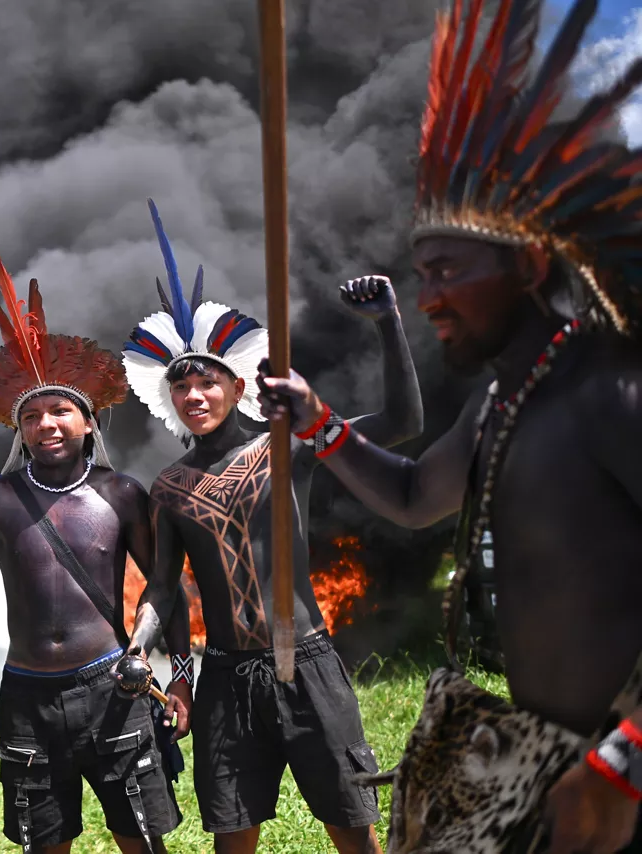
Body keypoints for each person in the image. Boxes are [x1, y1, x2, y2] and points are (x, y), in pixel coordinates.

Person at [255, 0, 642, 849]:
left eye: (447, 271)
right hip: (531, 767)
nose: (428, 297)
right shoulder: (502, 401)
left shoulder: (612, 391)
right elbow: (414, 495)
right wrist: (320, 422)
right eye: (420, 273)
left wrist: (624, 763)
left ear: (531, 262)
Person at [117, 200, 423, 853]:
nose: (194, 396)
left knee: (352, 827)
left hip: (306, 663)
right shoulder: (170, 488)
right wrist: (140, 644)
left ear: (236, 385)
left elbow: (402, 422)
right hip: (227, 678)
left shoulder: (287, 448)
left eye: (206, 382)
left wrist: (389, 324)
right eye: (181, 388)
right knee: (233, 833)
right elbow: (164, 587)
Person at [0, 252, 191, 854]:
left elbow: (165, 587)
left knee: (139, 834)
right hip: (27, 696)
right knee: (43, 840)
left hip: (113, 686)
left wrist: (176, 676)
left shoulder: (120, 494)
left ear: (89, 423)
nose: (46, 424)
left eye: (60, 411)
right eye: (31, 416)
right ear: (19, 430)